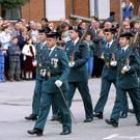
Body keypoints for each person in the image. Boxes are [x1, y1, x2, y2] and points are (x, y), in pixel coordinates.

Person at [27, 32, 72, 136]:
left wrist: (61, 79)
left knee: (63, 108)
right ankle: (38, 128)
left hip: (58, 83)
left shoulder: (60, 52)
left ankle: (67, 127)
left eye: (50, 40)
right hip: (47, 82)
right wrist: (41, 71)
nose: (48, 42)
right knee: (44, 106)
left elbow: (66, 69)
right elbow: (43, 66)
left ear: (55, 40)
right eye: (47, 40)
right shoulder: (45, 52)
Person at [105, 32, 140, 127]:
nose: (120, 41)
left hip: (131, 80)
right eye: (119, 39)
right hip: (120, 79)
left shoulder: (133, 51)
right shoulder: (117, 51)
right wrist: (113, 64)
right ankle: (114, 119)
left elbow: (138, 65)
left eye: (122, 39)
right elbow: (113, 62)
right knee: (118, 101)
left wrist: (129, 68)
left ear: (128, 40)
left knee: (136, 101)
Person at [65, 27, 93, 122]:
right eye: (69, 32)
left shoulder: (83, 44)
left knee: (85, 96)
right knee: (67, 96)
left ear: (77, 33)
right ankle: (64, 115)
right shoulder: (68, 44)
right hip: (70, 75)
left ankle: (89, 115)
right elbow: (65, 56)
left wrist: (75, 63)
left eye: (72, 32)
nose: (70, 34)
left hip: (80, 74)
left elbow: (85, 58)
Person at [25, 28, 51, 121]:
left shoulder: (50, 45)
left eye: (42, 35)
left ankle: (56, 113)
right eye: (39, 35)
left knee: (52, 95)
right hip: (39, 73)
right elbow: (36, 56)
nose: (39, 36)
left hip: (49, 73)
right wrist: (35, 61)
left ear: (47, 35)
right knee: (37, 93)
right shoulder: (38, 45)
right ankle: (35, 113)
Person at [93, 28, 118, 119]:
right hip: (106, 72)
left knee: (120, 93)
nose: (106, 36)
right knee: (103, 92)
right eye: (105, 34)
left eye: (108, 34)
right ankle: (99, 110)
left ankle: (124, 109)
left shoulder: (117, 45)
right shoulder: (104, 46)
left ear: (113, 35)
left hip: (115, 72)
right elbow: (101, 56)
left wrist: (116, 62)